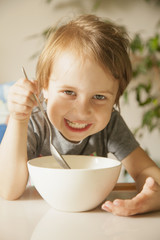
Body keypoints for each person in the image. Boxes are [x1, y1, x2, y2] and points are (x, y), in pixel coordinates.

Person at [0, 14, 160, 216]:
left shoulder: (111, 124)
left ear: (115, 99)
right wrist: (18, 119)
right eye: (69, 92)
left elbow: (145, 171)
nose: (82, 111)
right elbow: (8, 190)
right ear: (44, 87)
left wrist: (151, 193)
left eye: (99, 96)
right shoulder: (35, 121)